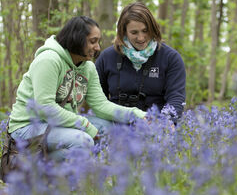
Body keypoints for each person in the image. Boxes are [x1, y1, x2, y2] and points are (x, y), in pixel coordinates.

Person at [8, 16, 146, 161]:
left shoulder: (88, 67)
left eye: (98, 42)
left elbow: (101, 105)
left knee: (109, 128)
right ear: (76, 38)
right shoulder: (49, 60)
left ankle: (71, 168)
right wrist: (85, 125)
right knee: (83, 141)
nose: (98, 47)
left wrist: (139, 115)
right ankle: (38, 169)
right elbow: (45, 108)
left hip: (58, 126)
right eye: (93, 41)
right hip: (28, 127)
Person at [95, 2, 186, 123]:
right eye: (134, 33)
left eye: (145, 31)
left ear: (153, 29)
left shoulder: (171, 58)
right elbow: (97, 100)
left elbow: (176, 97)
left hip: (155, 124)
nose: (141, 38)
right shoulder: (106, 58)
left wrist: (164, 123)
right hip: (115, 126)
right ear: (124, 32)